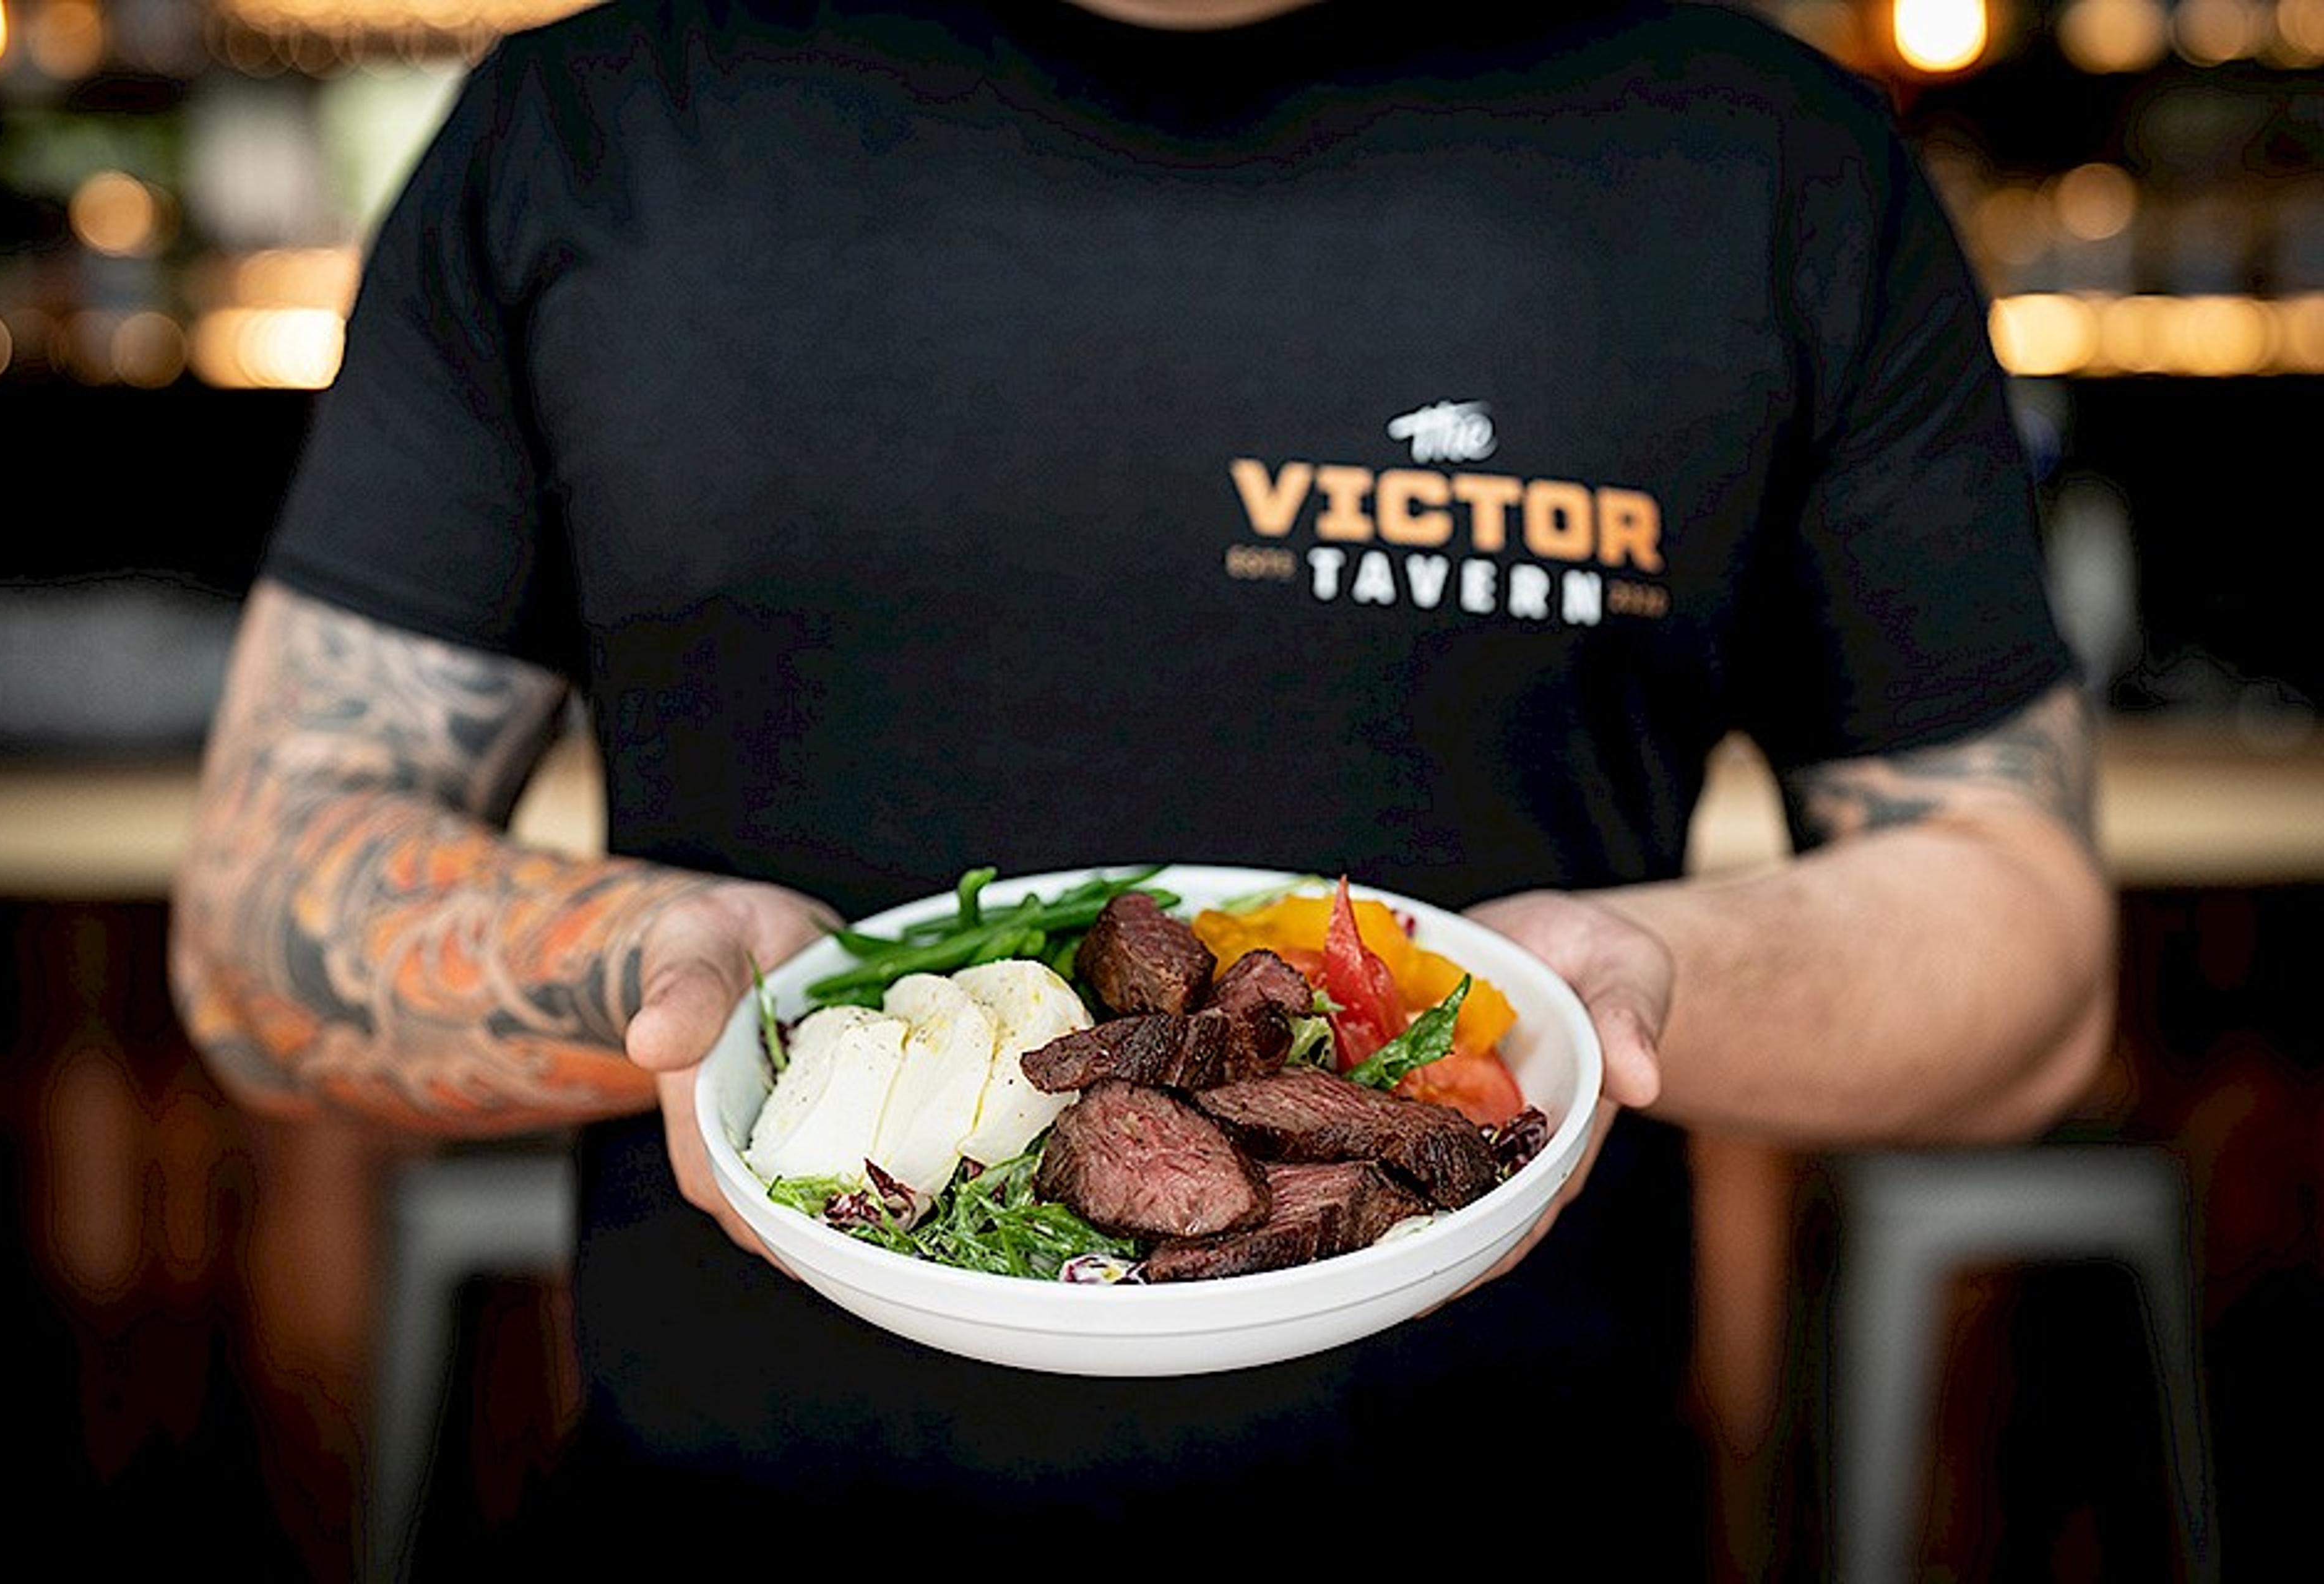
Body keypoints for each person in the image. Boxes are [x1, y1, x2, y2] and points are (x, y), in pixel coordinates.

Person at [170, 0, 2114, 1570]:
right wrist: (652, 967)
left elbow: (2029, 965)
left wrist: (1625, 992)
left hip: (1528, 1523)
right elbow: (262, 916)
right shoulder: (585, 131)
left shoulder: (1765, 153)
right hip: (739, 1529)